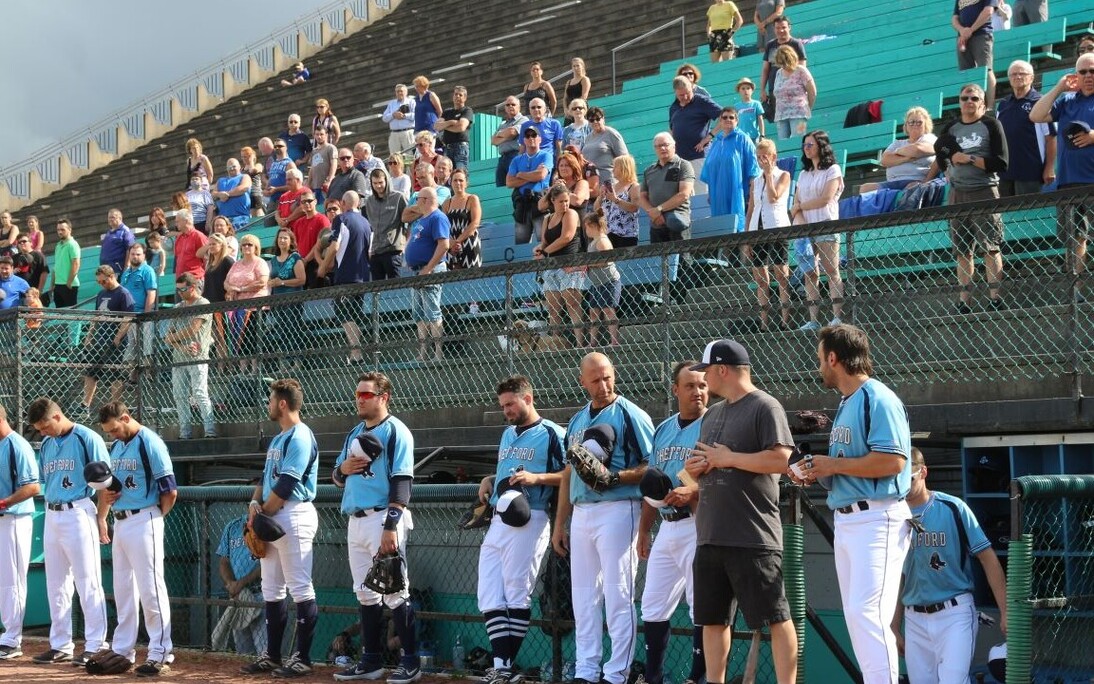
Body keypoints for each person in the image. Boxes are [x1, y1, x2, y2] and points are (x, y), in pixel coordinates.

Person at [788, 324, 913, 684]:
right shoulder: (847, 402)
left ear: (833, 358)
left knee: (867, 614)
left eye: (820, 359)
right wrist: (816, 472)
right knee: (858, 618)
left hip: (878, 516)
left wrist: (832, 465)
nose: (819, 367)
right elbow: (846, 466)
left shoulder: (878, 398)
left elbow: (894, 461)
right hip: (849, 518)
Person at [682, 340, 798, 684]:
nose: (704, 380)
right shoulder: (713, 414)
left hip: (752, 534)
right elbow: (707, 463)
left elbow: (782, 460)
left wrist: (728, 458)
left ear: (722, 370)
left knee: (776, 617)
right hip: (710, 533)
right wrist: (694, 470)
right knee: (712, 620)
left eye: (706, 371)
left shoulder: (765, 406)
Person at [552, 352, 654, 684]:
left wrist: (616, 477)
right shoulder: (577, 420)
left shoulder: (630, 414)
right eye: (595, 379)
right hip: (582, 512)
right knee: (583, 597)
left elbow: (653, 466)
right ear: (582, 381)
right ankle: (586, 670)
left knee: (618, 595)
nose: (603, 384)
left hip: (619, 508)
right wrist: (560, 524)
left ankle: (617, 673)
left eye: (607, 376)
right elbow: (568, 473)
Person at [331, 372, 421, 684]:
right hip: (355, 519)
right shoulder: (354, 433)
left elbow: (402, 482)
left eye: (366, 394)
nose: (359, 399)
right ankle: (370, 661)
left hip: (383, 518)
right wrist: (342, 469)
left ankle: (411, 661)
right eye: (358, 394)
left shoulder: (396, 431)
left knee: (396, 591)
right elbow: (337, 477)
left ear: (384, 397)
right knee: (365, 593)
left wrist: (391, 526)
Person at [475, 376, 565, 684]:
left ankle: (503, 668)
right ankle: (504, 668)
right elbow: (507, 470)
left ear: (528, 398)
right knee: (489, 594)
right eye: (503, 406)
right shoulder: (507, 433)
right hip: (499, 517)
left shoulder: (552, 433)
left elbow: (570, 474)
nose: (506, 411)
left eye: (510, 404)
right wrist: (489, 479)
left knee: (516, 593)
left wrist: (538, 478)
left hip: (531, 516)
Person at [890, 448, 1008, 684]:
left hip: (954, 611)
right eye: (896, 479)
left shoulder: (952, 507)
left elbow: (987, 558)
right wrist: (894, 626)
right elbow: (896, 576)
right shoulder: (893, 514)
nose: (902, 485)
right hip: (914, 617)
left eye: (908, 478)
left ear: (923, 472)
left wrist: (1006, 610)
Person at [240, 379, 321, 678]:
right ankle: (272, 655)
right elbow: (265, 479)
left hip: (293, 514)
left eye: (271, 400)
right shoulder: (278, 439)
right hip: (272, 515)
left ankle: (303, 658)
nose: (269, 404)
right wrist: (254, 505)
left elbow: (287, 485)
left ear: (283, 404)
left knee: (299, 587)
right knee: (271, 589)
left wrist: (261, 516)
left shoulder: (300, 436)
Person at [637, 363, 709, 684]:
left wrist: (691, 489)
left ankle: (696, 678)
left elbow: (720, 476)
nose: (698, 392)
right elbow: (654, 483)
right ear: (675, 390)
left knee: (701, 607)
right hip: (667, 526)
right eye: (690, 386)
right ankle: (653, 677)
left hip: (698, 522)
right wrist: (643, 530)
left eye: (703, 385)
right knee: (652, 605)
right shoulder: (664, 428)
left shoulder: (713, 423)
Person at [25, 397, 111, 666]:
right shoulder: (47, 444)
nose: (42, 432)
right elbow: (46, 481)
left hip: (78, 511)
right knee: (56, 583)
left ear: (57, 416)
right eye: (39, 429)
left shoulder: (87, 438)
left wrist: (101, 518)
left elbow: (105, 482)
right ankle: (61, 644)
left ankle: (96, 644)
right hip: (52, 513)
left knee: (88, 581)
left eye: (44, 426)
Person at [95, 402, 176, 677]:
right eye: (108, 431)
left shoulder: (150, 442)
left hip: (145, 518)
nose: (112, 435)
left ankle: (159, 652)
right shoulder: (118, 446)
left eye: (114, 429)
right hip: (121, 520)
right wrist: (108, 502)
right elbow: (113, 486)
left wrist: (155, 516)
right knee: (123, 590)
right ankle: (122, 650)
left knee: (151, 589)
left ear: (126, 417)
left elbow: (170, 490)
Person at [928, 83, 1009, 311]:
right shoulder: (951, 128)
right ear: (960, 102)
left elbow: (1002, 162)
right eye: (965, 98)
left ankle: (995, 298)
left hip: (984, 191)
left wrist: (969, 159)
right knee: (962, 251)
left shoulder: (991, 124)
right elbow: (941, 152)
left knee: (990, 247)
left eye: (974, 98)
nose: (969, 102)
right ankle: (964, 301)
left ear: (982, 102)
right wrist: (949, 167)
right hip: (957, 193)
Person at [1030, 51, 1094, 296]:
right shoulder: (1067, 100)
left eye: (1093, 71)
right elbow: (1036, 115)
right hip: (1070, 183)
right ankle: (1076, 291)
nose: (1088, 76)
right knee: (1076, 238)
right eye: (1083, 71)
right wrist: (1058, 88)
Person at [0, 403, 41, 661]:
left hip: (14, 518)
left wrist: (4, 502)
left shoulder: (17, 445)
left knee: (12, 580)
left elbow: (33, 487)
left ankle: (12, 639)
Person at [792, 130, 845, 331]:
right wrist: (799, 216)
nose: (806, 148)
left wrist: (800, 207)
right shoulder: (803, 174)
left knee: (831, 270)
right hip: (805, 228)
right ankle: (813, 320)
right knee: (809, 273)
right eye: (804, 145)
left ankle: (837, 317)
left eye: (810, 145)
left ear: (821, 146)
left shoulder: (833, 170)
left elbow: (825, 199)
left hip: (826, 224)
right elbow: (796, 203)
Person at [745, 138, 793, 330]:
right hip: (758, 230)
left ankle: (785, 320)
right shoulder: (755, 182)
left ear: (773, 157)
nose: (761, 160)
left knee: (781, 275)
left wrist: (769, 174)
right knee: (760, 278)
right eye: (759, 157)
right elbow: (751, 209)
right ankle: (763, 322)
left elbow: (774, 197)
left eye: (765, 157)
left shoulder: (783, 175)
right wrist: (747, 237)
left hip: (777, 227)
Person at [76, 266, 134, 418]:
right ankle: (85, 405)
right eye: (99, 282)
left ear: (111, 276)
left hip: (115, 340)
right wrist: (89, 336)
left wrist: (117, 338)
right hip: (99, 339)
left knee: (115, 374)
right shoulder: (101, 294)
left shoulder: (123, 293)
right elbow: (96, 316)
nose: (101, 284)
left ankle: (115, 407)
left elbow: (128, 318)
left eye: (103, 281)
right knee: (90, 372)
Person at [163, 272, 216, 439]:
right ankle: (184, 433)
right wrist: (182, 346)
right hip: (179, 357)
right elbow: (167, 337)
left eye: (183, 289)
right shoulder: (177, 307)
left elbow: (193, 329)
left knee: (199, 393)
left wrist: (173, 338)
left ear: (192, 288)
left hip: (197, 356)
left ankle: (210, 430)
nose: (179, 293)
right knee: (179, 395)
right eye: (178, 289)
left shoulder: (203, 303)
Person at [535, 184, 586, 347]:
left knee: (573, 305)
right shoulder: (547, 219)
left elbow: (567, 237)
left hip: (570, 265)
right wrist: (539, 249)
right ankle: (554, 344)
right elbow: (545, 241)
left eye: (567, 201)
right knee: (553, 309)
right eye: (561, 201)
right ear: (553, 201)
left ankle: (580, 343)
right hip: (552, 267)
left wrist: (545, 253)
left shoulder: (571, 213)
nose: (565, 204)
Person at [402, 187, 450, 361]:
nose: (416, 203)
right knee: (419, 314)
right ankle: (422, 353)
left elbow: (444, 245)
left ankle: (438, 353)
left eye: (418, 199)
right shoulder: (422, 219)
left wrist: (428, 268)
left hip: (430, 270)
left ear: (425, 200)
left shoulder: (437, 217)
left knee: (432, 312)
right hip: (418, 271)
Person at [997, 60, 1056, 196]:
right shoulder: (1003, 105)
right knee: (1006, 210)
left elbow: (1051, 138)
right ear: (1009, 79)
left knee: (1028, 209)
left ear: (1032, 77)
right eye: (1013, 74)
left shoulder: (1041, 102)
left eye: (1022, 73)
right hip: (1005, 173)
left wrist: (1049, 167)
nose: (1018, 77)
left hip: (1031, 173)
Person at [327, 190, 372, 363]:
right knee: (354, 315)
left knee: (345, 316)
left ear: (343, 204)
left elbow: (334, 246)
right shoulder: (366, 222)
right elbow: (370, 251)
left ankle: (356, 354)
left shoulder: (341, 219)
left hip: (345, 277)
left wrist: (323, 267)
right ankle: (355, 354)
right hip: (362, 276)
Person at [639, 133, 696, 266]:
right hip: (656, 223)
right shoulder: (649, 171)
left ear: (674, 146)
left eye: (665, 145)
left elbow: (684, 194)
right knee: (658, 264)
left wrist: (659, 209)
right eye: (658, 146)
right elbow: (642, 197)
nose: (662, 148)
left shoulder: (683, 165)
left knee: (683, 263)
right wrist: (653, 213)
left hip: (677, 221)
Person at [700, 106, 759, 230]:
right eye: (724, 117)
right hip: (717, 193)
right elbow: (709, 169)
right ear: (720, 121)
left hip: (736, 190)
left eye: (731, 117)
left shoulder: (743, 139)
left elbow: (753, 167)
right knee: (720, 227)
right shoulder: (716, 142)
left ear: (737, 121)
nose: (728, 120)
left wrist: (752, 192)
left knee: (736, 224)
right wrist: (710, 192)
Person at [213, 515, 265, 655]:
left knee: (265, 651)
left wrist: (241, 583)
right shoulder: (233, 526)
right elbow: (224, 561)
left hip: (262, 594)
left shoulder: (268, 524)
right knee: (243, 654)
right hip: (239, 597)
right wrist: (230, 584)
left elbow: (269, 564)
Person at [860, 107, 938, 193]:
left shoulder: (930, 138)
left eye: (919, 122)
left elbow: (916, 150)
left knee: (911, 189)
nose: (915, 124)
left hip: (915, 180)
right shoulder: (897, 143)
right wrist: (906, 158)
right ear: (906, 125)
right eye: (911, 122)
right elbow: (885, 160)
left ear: (926, 124)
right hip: (892, 182)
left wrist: (896, 153)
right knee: (865, 188)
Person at [224, 234, 270, 373]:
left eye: (250, 244)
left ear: (256, 247)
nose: (246, 247)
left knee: (253, 337)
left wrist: (241, 289)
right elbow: (226, 282)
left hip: (256, 307)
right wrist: (231, 289)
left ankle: (255, 370)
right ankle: (243, 369)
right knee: (241, 337)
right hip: (239, 307)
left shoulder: (260, 262)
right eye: (244, 244)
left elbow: (262, 282)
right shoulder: (236, 264)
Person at [669, 77, 722, 191]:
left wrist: (709, 137)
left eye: (687, 93)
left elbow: (725, 116)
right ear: (675, 92)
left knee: (701, 193)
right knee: (673, 191)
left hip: (698, 155)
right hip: (677, 159)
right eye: (681, 95)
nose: (685, 97)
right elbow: (672, 129)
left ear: (692, 88)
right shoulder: (673, 107)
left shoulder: (702, 101)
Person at [582, 211, 621, 347]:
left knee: (608, 310)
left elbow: (606, 260)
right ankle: (592, 342)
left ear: (591, 225)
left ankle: (614, 341)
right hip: (596, 283)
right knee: (593, 312)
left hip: (608, 281)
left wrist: (588, 264)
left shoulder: (602, 241)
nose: (585, 230)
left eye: (586, 227)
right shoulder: (593, 242)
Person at [507, 128, 552, 244]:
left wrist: (520, 174)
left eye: (534, 135)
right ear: (524, 140)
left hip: (540, 204)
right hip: (522, 206)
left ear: (540, 139)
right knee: (521, 246)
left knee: (543, 243)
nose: (531, 138)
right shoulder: (516, 160)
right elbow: (509, 182)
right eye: (527, 136)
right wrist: (532, 176)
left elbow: (541, 175)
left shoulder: (546, 156)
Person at [759, 16, 808, 122]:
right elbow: (765, 69)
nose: (781, 30)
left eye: (783, 27)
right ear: (774, 29)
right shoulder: (770, 45)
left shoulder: (796, 44)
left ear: (789, 27)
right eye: (777, 28)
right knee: (780, 123)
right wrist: (762, 89)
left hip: (794, 90)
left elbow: (802, 68)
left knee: (796, 121)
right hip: (775, 90)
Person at [365, 168, 409, 280]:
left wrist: (405, 244)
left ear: (386, 181)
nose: (378, 186)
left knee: (396, 286)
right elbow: (370, 227)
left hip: (393, 250)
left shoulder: (398, 197)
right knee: (376, 287)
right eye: (375, 183)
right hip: (375, 251)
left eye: (380, 182)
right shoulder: (369, 201)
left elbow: (409, 221)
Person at [953, 0, 998, 109]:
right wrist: (962, 30)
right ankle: (969, 107)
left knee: (986, 69)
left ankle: (989, 107)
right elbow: (954, 18)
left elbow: (988, 11)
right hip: (963, 38)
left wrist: (971, 30)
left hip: (981, 34)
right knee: (966, 74)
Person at [119, 243, 158, 369]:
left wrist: (146, 315)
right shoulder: (126, 272)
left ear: (144, 255)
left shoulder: (147, 270)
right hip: (128, 318)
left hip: (142, 316)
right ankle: (133, 377)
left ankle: (148, 377)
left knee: (146, 350)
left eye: (138, 254)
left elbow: (151, 293)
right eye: (132, 254)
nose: (135, 257)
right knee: (132, 349)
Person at [595, 155, 642, 249]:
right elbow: (596, 209)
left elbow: (634, 207)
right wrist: (600, 196)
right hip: (608, 234)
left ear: (624, 167)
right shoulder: (611, 187)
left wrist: (616, 200)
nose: (612, 170)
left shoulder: (634, 187)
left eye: (615, 167)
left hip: (626, 235)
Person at [772, 46, 816, 140]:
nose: (783, 65)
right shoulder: (779, 73)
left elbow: (812, 91)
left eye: (784, 62)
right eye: (780, 63)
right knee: (783, 142)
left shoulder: (801, 70)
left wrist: (807, 108)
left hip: (799, 112)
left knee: (798, 140)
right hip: (781, 114)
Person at [443, 168, 483, 269]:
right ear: (451, 183)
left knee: (472, 276)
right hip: (451, 246)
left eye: (461, 180)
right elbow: (443, 226)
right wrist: (451, 243)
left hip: (469, 243)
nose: (458, 183)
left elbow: (475, 223)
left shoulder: (472, 199)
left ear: (466, 183)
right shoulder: (446, 203)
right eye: (455, 180)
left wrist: (458, 241)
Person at [582, 107, 630, 186]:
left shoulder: (611, 133)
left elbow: (624, 158)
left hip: (609, 181)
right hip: (593, 183)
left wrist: (625, 183)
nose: (595, 122)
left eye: (598, 119)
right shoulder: (588, 138)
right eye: (591, 120)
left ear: (603, 119)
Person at [493, 97, 529, 188]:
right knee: (500, 186)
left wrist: (499, 134)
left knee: (515, 184)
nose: (510, 106)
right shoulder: (502, 124)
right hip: (502, 158)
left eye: (513, 104)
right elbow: (493, 141)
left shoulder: (523, 120)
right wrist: (507, 136)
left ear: (519, 107)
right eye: (508, 105)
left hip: (515, 155)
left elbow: (512, 132)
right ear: (505, 108)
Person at [436, 86, 474, 170]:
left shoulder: (467, 110)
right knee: (447, 174)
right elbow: (437, 126)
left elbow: (461, 127)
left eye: (460, 95)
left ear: (465, 98)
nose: (457, 96)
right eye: (456, 94)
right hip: (447, 147)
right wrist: (451, 122)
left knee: (460, 172)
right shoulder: (447, 112)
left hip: (460, 147)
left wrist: (445, 126)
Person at [213, 159, 253, 232]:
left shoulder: (245, 176)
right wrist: (219, 194)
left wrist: (227, 194)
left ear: (239, 167)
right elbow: (213, 193)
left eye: (234, 166)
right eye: (229, 167)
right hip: (224, 220)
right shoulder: (220, 180)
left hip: (241, 218)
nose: (231, 168)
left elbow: (244, 188)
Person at [50, 218, 81, 307]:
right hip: (58, 285)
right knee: (60, 313)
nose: (60, 232)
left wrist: (69, 282)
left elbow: (76, 264)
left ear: (69, 230)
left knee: (71, 314)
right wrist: (52, 284)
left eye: (62, 229)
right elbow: (56, 266)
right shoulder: (58, 245)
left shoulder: (73, 244)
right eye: (58, 230)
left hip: (68, 285)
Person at [263, 139, 297, 214]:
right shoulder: (273, 164)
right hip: (273, 199)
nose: (277, 148)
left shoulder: (289, 164)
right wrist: (265, 189)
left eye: (280, 146)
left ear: (286, 148)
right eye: (275, 146)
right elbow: (270, 179)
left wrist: (276, 189)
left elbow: (295, 185)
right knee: (268, 221)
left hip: (286, 199)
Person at [382, 83, 417, 156]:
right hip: (394, 133)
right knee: (394, 157)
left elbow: (416, 115)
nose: (399, 93)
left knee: (410, 156)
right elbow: (384, 118)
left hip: (408, 132)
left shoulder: (411, 102)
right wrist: (393, 115)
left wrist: (404, 116)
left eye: (401, 91)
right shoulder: (391, 104)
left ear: (406, 92)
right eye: (397, 91)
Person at [173, 209, 209, 280]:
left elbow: (207, 258)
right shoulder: (179, 238)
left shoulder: (199, 236)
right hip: (181, 280)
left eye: (178, 221)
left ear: (186, 221)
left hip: (195, 279)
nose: (176, 224)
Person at [269, 228, 306, 295]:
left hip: (293, 298)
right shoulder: (273, 260)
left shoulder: (295, 257)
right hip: (277, 299)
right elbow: (270, 280)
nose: (282, 240)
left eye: (285, 238)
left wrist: (282, 282)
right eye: (280, 238)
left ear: (291, 241)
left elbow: (302, 280)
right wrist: (271, 282)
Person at [308, 127, 338, 204]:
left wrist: (329, 180)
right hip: (315, 186)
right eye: (317, 134)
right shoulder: (314, 151)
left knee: (325, 207)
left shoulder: (331, 148)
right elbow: (312, 168)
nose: (319, 136)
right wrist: (308, 184)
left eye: (321, 134)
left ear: (326, 135)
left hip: (325, 186)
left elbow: (334, 164)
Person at [100, 208, 135, 275]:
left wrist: (127, 267)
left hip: (118, 271)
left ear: (120, 218)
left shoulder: (125, 231)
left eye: (112, 217)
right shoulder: (109, 232)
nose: (110, 219)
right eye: (109, 217)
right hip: (106, 270)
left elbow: (130, 248)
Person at [733, 78, 765, 143]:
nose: (746, 91)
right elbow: (734, 122)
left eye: (748, 88)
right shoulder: (736, 106)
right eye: (743, 89)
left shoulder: (756, 104)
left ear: (752, 90)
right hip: (741, 137)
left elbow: (760, 120)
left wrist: (762, 135)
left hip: (754, 137)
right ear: (739, 91)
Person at [241, 146, 266, 218]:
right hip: (246, 195)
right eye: (242, 157)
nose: (244, 159)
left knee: (258, 216)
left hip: (255, 194)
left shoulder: (258, 165)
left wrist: (251, 161)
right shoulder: (242, 170)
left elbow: (253, 171)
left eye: (246, 156)